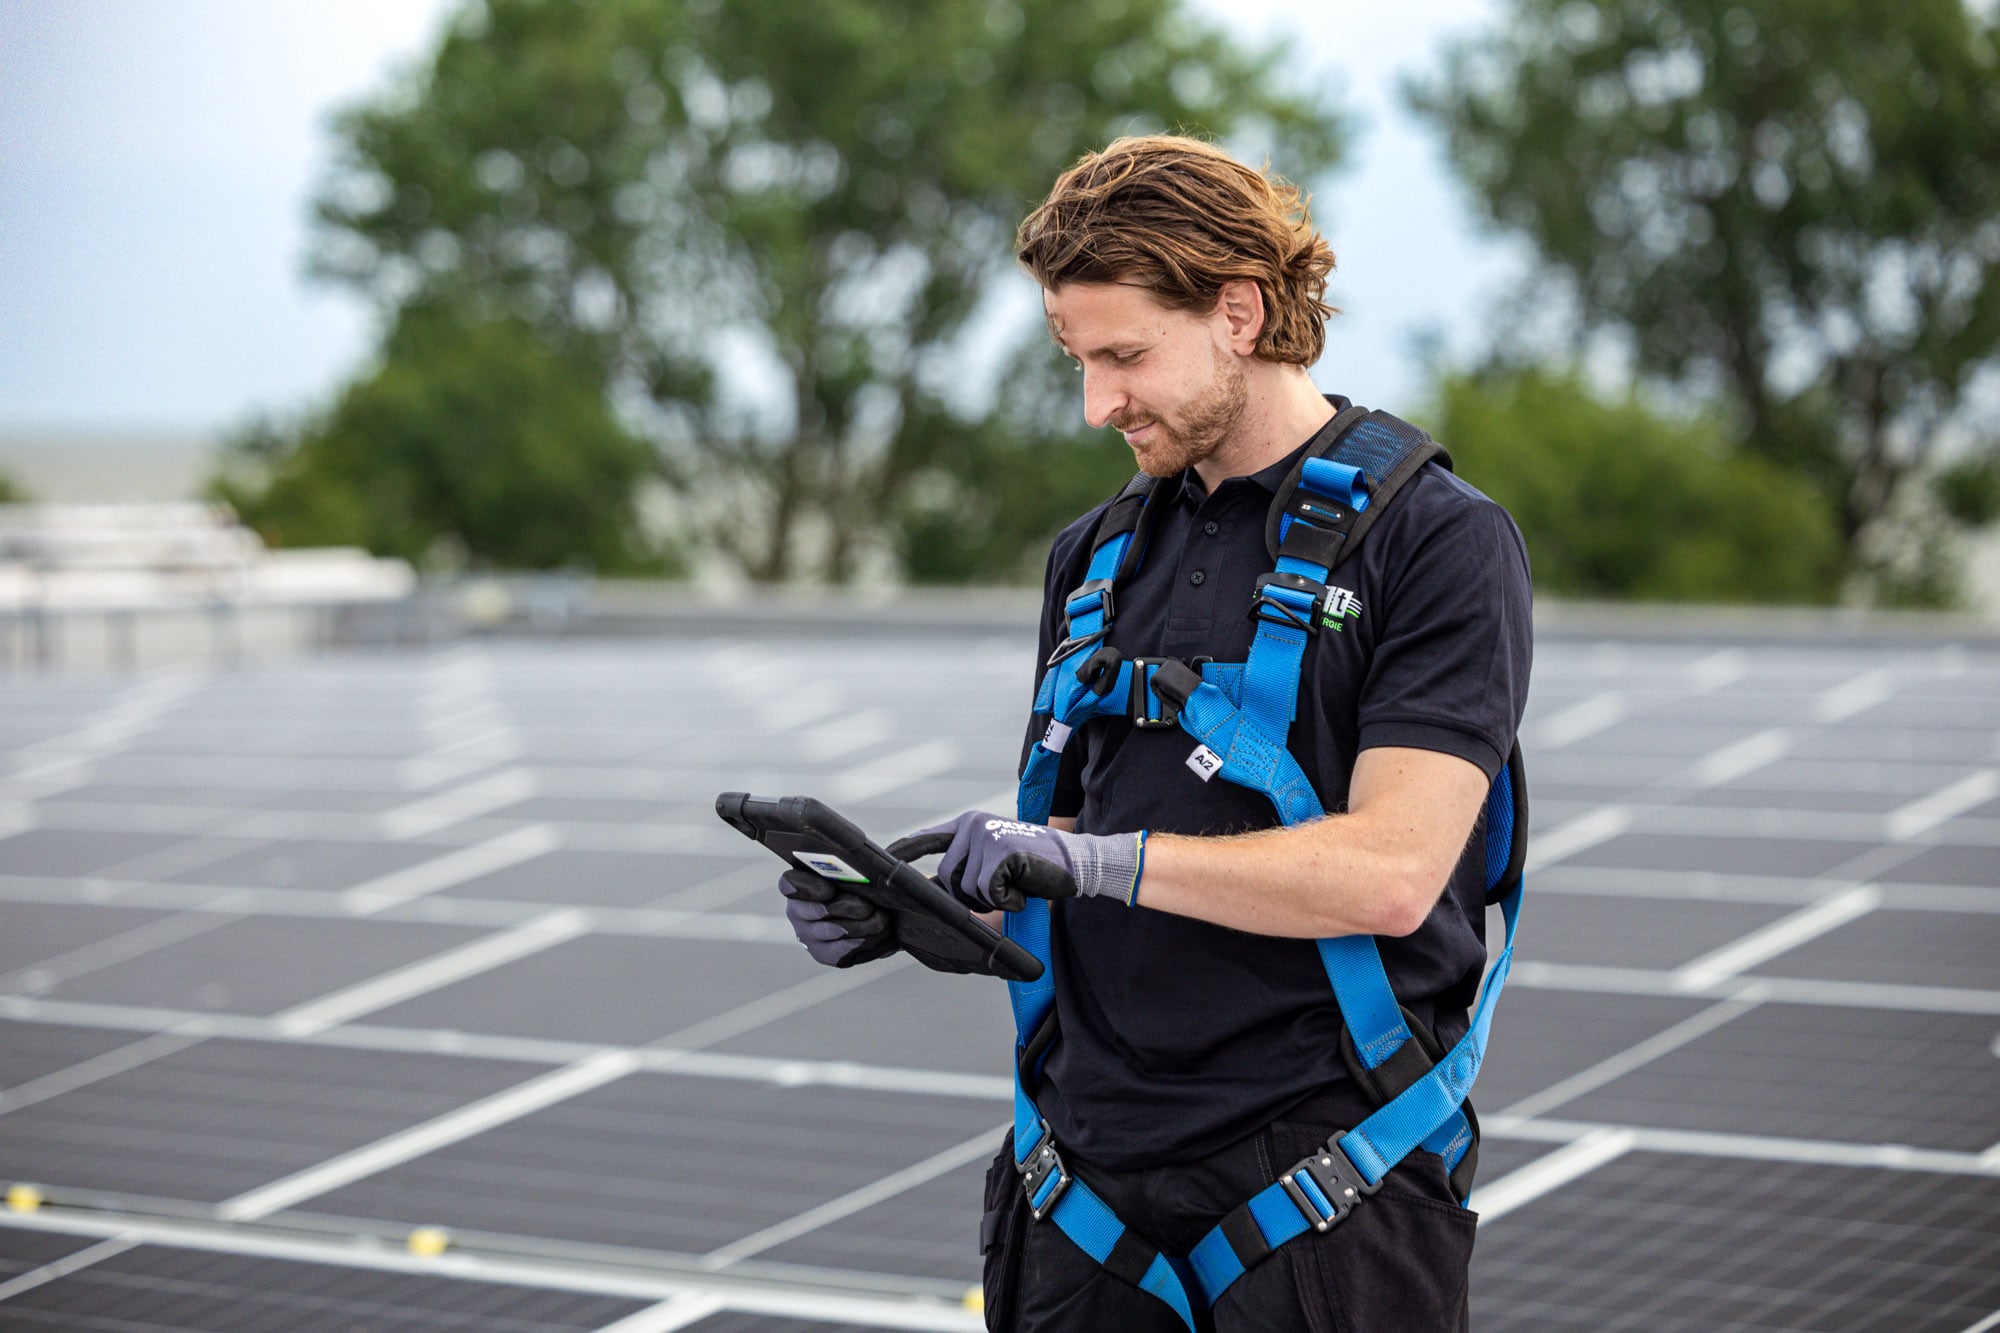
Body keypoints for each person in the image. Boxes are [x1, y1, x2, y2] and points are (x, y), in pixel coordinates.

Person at [779, 135, 1532, 1331]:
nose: (1097, 404)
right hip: (1080, 1178)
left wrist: (1086, 860)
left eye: (1124, 356)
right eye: (1077, 361)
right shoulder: (1096, 555)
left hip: (1321, 1184)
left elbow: (1391, 876)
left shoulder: (1436, 542)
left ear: (1238, 311)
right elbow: (1084, 839)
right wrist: (934, 909)